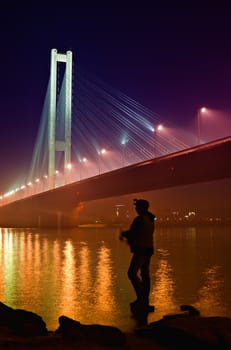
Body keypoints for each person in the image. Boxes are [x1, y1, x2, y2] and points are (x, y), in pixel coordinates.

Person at [120, 199, 155, 314]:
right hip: (149, 249)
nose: (136, 209)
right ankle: (144, 301)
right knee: (145, 275)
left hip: (141, 250)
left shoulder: (139, 219)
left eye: (137, 207)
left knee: (131, 273)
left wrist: (123, 234)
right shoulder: (150, 219)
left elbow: (132, 232)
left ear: (142, 208)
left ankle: (142, 299)